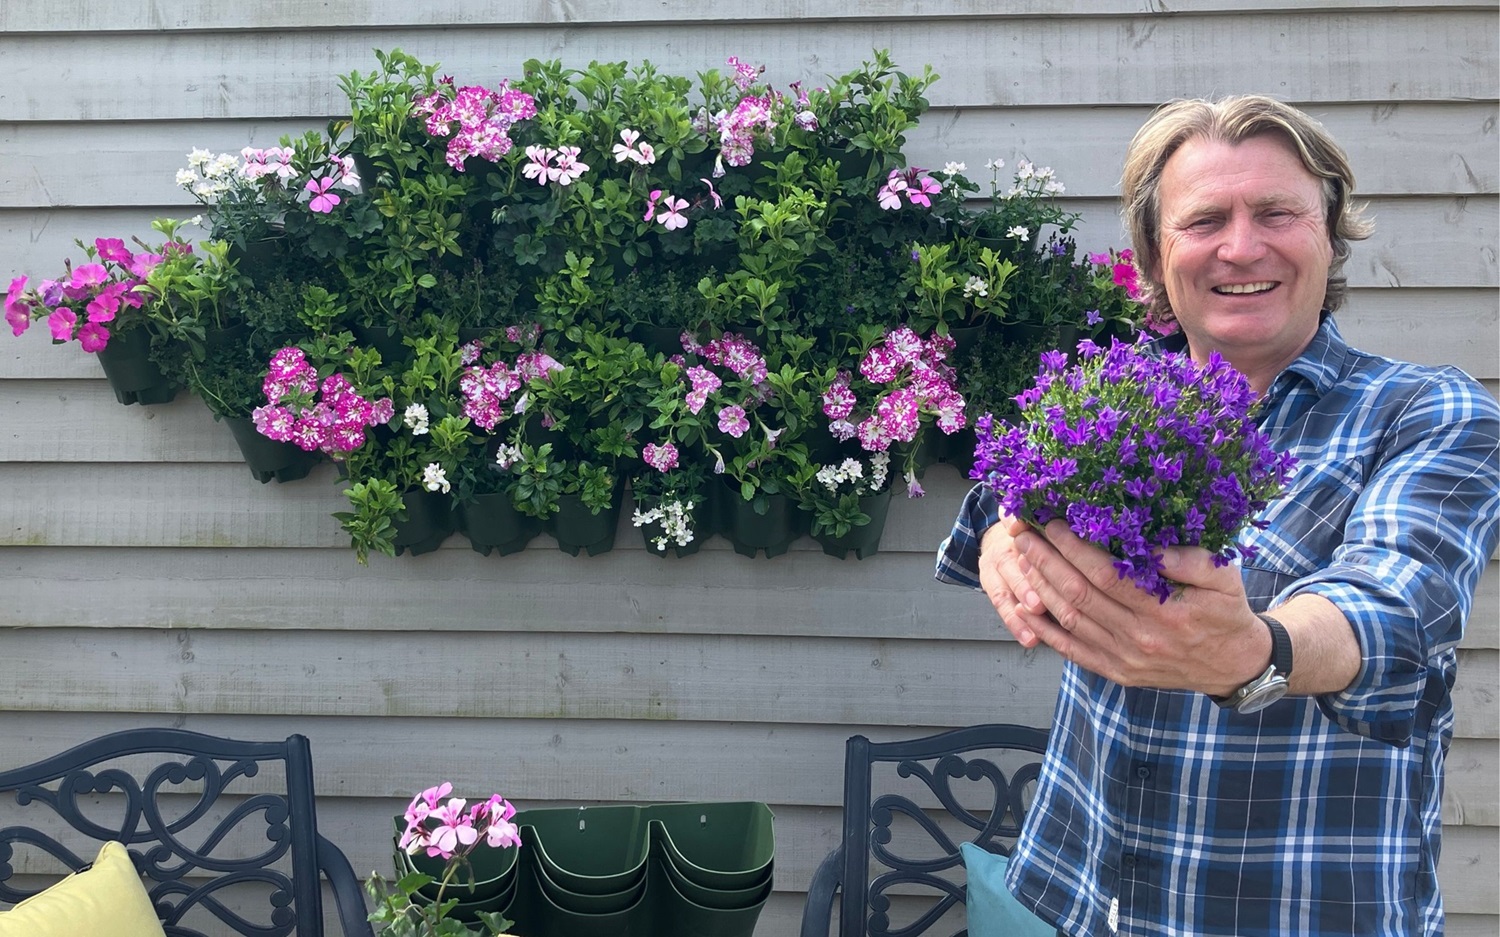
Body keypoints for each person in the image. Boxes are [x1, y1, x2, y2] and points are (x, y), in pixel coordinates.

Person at [935, 95, 1500, 936]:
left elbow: (1392, 607)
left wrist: (1257, 652)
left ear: (1330, 231)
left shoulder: (1424, 412)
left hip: (1299, 913)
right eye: (1204, 221)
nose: (1242, 246)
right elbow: (1005, 480)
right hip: (1082, 903)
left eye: (1276, 212)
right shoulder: (1115, 395)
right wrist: (996, 534)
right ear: (1158, 257)